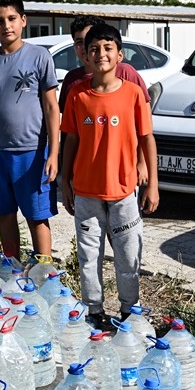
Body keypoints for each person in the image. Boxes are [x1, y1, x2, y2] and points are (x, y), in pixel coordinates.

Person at [59, 23, 159, 328]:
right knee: (90, 258)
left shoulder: (132, 94)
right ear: (85, 56)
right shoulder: (77, 94)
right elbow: (71, 140)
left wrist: (152, 183)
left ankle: (130, 311)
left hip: (124, 191)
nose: (100, 54)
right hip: (86, 192)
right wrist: (65, 181)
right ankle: (94, 311)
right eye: (93, 49)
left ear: (120, 55)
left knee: (128, 259)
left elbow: (147, 139)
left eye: (107, 48)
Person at [0, 0, 60, 260]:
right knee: (4, 215)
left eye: (11, 18)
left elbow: (52, 108)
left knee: (36, 216)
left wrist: (53, 153)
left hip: (32, 153)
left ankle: (44, 274)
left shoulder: (40, 57)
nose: (6, 25)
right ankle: (13, 270)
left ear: (23, 20)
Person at [59, 15, 152, 186]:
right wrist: (66, 174)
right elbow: (69, 134)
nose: (85, 48)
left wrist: (142, 162)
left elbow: (144, 127)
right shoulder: (72, 81)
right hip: (86, 175)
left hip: (123, 175)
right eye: (79, 42)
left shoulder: (126, 74)